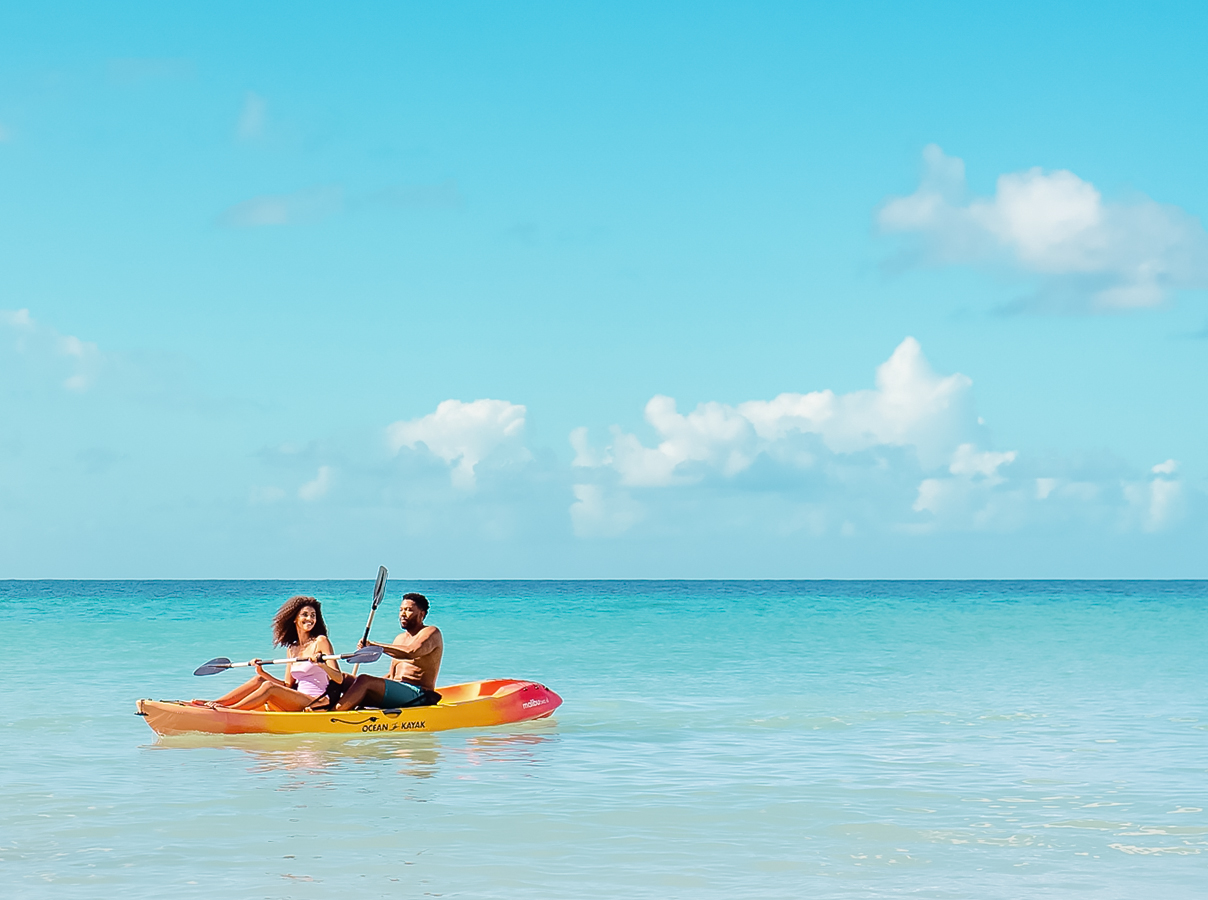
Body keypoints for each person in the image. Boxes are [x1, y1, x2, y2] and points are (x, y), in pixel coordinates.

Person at [200, 595, 344, 711]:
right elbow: (287, 685)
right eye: (305, 615)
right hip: (298, 696)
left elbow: (339, 679)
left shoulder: (320, 641)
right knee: (259, 680)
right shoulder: (292, 649)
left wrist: (322, 665)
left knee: (269, 687)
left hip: (316, 700)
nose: (310, 619)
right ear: (295, 619)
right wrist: (262, 672)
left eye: (313, 615)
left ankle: (230, 710)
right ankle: (215, 703)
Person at [334, 592, 443, 710]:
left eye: (408, 610)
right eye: (401, 610)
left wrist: (375, 646)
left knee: (364, 680)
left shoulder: (431, 632)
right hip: (397, 692)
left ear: (422, 614)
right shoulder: (399, 639)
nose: (403, 614)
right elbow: (392, 675)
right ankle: (321, 707)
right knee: (342, 679)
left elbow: (411, 652)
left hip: (418, 694)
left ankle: (333, 714)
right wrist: (367, 685)